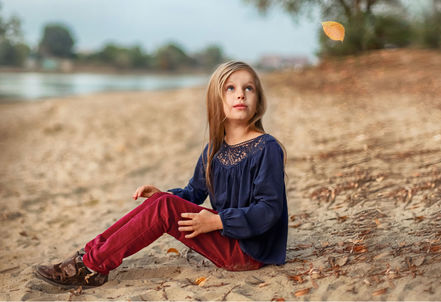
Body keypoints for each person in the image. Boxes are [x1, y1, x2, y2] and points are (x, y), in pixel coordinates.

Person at [35, 61, 288, 289]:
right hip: (227, 233)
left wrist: (217, 221)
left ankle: (91, 266)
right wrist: (163, 196)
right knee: (161, 202)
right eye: (230, 88)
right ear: (216, 100)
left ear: (258, 99)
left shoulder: (266, 147)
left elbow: (269, 209)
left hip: (248, 249)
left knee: (165, 207)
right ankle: (89, 255)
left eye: (249, 88)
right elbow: (194, 192)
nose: (240, 94)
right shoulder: (215, 149)